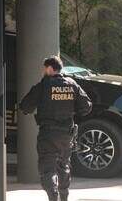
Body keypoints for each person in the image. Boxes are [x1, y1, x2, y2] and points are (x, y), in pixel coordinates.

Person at [19, 56, 92, 201]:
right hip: (67, 135)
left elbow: (25, 107)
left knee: (47, 170)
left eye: (44, 69)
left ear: (49, 68)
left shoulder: (43, 86)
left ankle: (53, 197)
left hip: (48, 135)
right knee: (64, 166)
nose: (43, 72)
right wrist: (71, 109)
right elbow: (86, 107)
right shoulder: (72, 84)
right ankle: (63, 197)